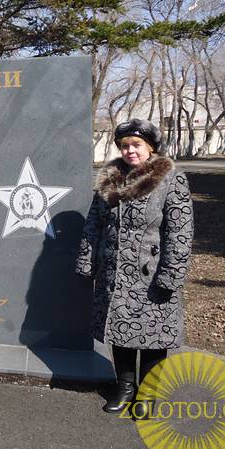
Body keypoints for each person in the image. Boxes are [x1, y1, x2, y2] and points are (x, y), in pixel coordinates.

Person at [76, 119, 193, 420]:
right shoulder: (109, 180)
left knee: (153, 336)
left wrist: (171, 274)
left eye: (136, 145)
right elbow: (93, 224)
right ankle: (125, 387)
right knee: (122, 331)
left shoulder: (171, 179)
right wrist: (88, 261)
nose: (129, 150)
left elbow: (180, 232)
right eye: (124, 145)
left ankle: (148, 392)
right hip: (114, 271)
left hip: (151, 273)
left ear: (151, 147)